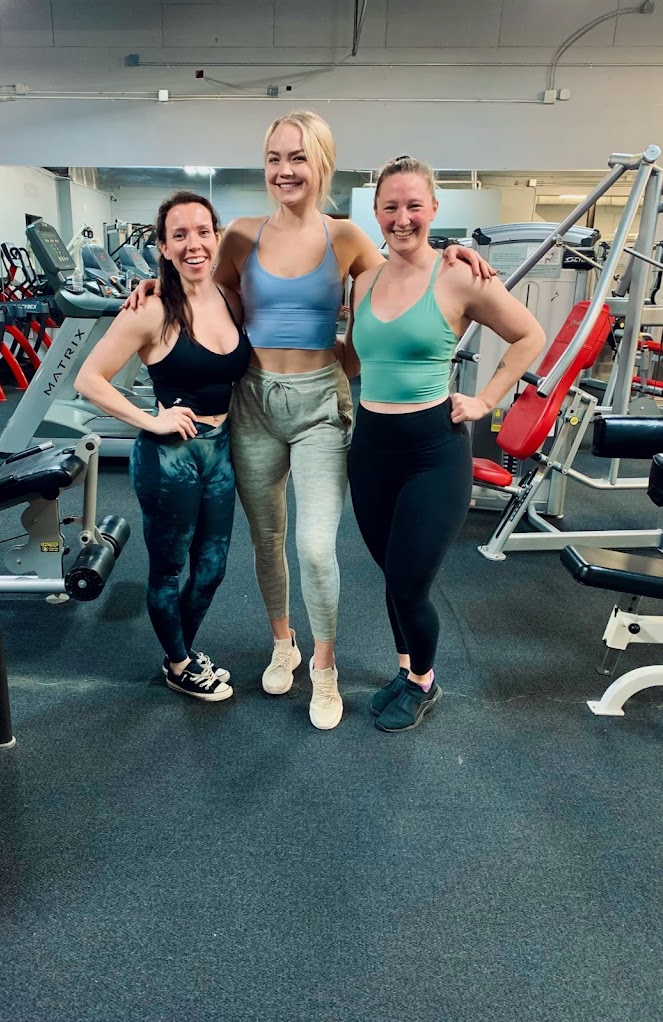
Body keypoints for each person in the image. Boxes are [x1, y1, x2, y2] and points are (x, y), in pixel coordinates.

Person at [129, 111, 494, 731]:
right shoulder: (240, 236)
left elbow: (406, 272)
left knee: (317, 547)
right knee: (267, 539)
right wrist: (151, 284)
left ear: (321, 163)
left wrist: (451, 253)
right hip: (254, 403)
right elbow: (198, 291)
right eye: (274, 158)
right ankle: (285, 644)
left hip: (322, 403)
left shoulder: (347, 237)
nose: (284, 170)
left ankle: (324, 667)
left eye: (297, 157)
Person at [344, 155, 546, 734]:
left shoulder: (458, 274)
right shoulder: (364, 280)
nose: (402, 218)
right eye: (390, 207)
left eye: (414, 205)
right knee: (391, 575)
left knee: (410, 583)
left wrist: (486, 401)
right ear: (376, 212)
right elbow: (355, 356)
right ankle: (404, 669)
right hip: (371, 450)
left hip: (433, 453)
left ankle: (424, 681)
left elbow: (529, 335)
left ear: (433, 208)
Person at [75, 191, 251, 702]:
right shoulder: (151, 309)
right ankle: (179, 664)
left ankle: (182, 652)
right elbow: (90, 379)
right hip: (169, 459)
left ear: (216, 238)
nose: (194, 244)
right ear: (164, 247)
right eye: (180, 235)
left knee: (212, 569)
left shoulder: (230, 297)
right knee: (170, 570)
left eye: (203, 232)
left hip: (220, 452)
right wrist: (151, 419)